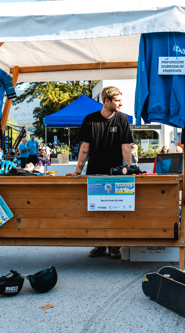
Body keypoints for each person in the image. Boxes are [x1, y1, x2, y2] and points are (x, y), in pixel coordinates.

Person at [66, 86, 133, 259]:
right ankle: (99, 244)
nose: (121, 103)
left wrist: (130, 168)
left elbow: (125, 146)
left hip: (116, 173)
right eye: (117, 100)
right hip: (94, 172)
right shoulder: (90, 119)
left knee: (116, 209)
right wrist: (77, 170)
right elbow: (85, 147)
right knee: (96, 210)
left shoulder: (122, 119)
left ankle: (114, 246)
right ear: (107, 101)